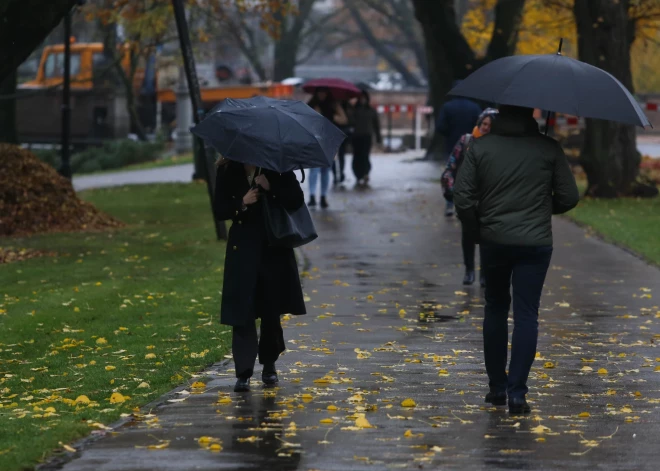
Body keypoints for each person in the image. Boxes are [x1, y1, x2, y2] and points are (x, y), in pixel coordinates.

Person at [454, 105, 579, 414]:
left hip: (494, 241)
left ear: (499, 117)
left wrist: (477, 229)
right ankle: (518, 392)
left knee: (495, 308)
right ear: (530, 115)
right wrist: (539, 210)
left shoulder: (480, 147)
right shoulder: (548, 148)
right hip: (535, 245)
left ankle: (497, 387)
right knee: (527, 314)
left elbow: (462, 196)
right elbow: (569, 197)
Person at [214, 157, 307, 393]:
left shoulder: (277, 166)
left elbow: (296, 200)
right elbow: (219, 209)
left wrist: (270, 186)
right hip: (242, 248)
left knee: (270, 309)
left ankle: (269, 364)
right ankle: (243, 372)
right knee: (241, 311)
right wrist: (241, 203)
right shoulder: (227, 168)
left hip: (272, 247)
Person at [441, 108, 497, 287]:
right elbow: (450, 168)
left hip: (489, 200)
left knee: (488, 237)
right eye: (484, 123)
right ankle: (469, 270)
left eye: (490, 125)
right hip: (467, 199)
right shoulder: (466, 141)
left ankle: (485, 274)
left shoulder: (500, 146)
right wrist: (451, 189)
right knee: (468, 235)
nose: (486, 128)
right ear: (479, 123)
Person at [307, 88, 348, 208]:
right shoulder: (312, 105)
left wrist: (334, 116)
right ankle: (312, 196)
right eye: (319, 92)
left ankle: (323, 196)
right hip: (315, 140)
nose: (321, 95)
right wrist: (315, 114)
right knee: (314, 170)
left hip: (329, 141)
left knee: (326, 170)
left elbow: (344, 119)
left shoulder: (333, 105)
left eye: (324, 92)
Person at [436, 80, 482, 159]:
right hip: (471, 143)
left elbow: (440, 126)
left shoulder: (447, 106)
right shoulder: (475, 107)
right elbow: (480, 125)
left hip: (451, 144)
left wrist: (448, 133)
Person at [351, 90, 381, 185]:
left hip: (367, 136)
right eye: (361, 98)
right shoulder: (353, 110)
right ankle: (358, 174)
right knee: (357, 156)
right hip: (356, 137)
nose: (362, 100)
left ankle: (365, 173)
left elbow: (376, 125)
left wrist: (378, 137)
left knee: (365, 156)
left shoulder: (371, 111)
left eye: (364, 98)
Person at [333, 99, 354, 185]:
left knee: (341, 155)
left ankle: (341, 173)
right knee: (333, 157)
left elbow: (347, 120)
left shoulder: (347, 107)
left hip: (342, 134)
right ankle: (335, 175)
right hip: (332, 134)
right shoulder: (331, 106)